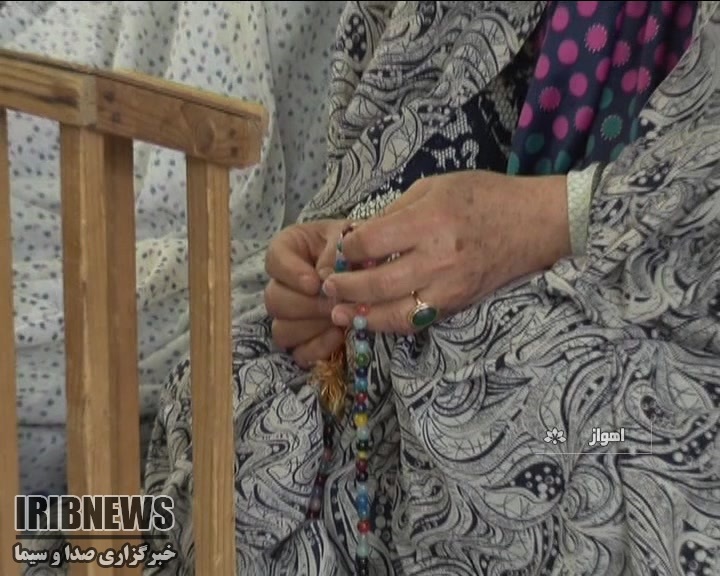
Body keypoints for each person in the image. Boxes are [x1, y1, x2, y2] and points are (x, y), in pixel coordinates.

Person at [31, 1, 720, 575]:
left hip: (646, 354)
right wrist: (352, 249)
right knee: (235, 384)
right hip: (403, 349)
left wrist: (552, 218)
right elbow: (395, 124)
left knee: (567, 427)